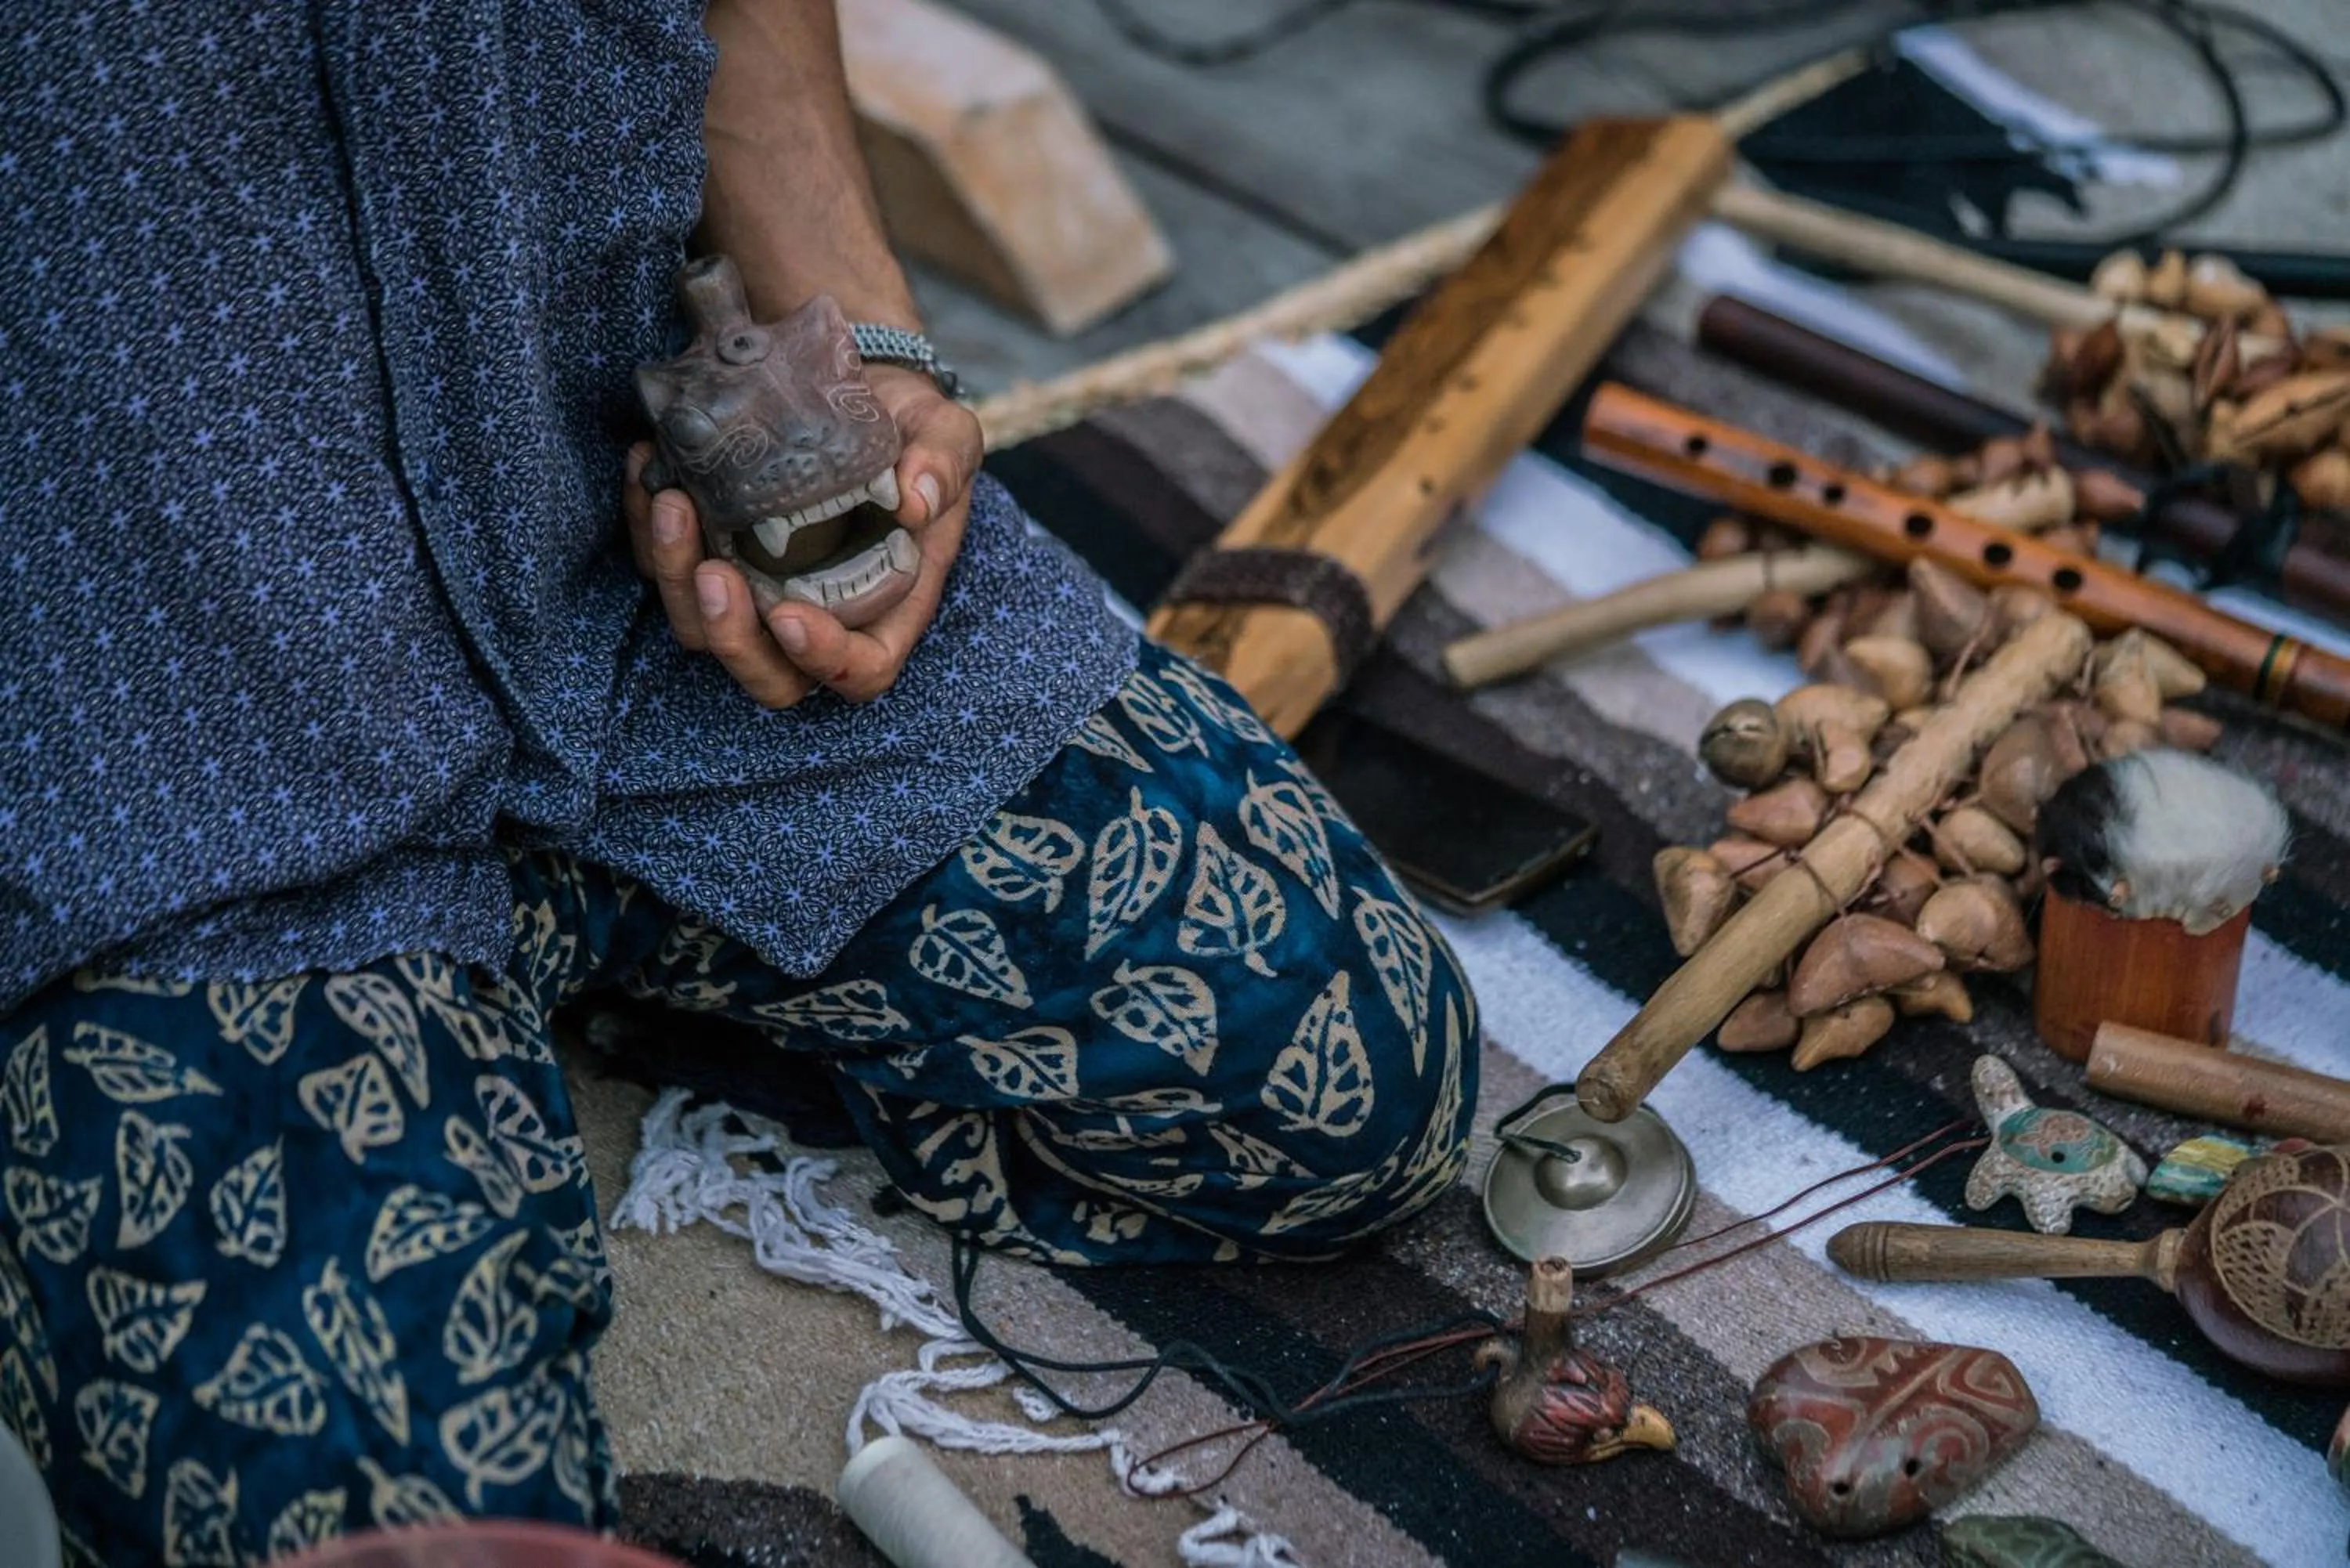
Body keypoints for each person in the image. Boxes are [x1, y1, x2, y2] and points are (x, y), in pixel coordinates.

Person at [0, 2, 1478, 1563]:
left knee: (1343, 1056)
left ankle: (581, 959)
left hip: (620, 550)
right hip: (159, 726)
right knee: (387, 1523)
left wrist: (861, 342)